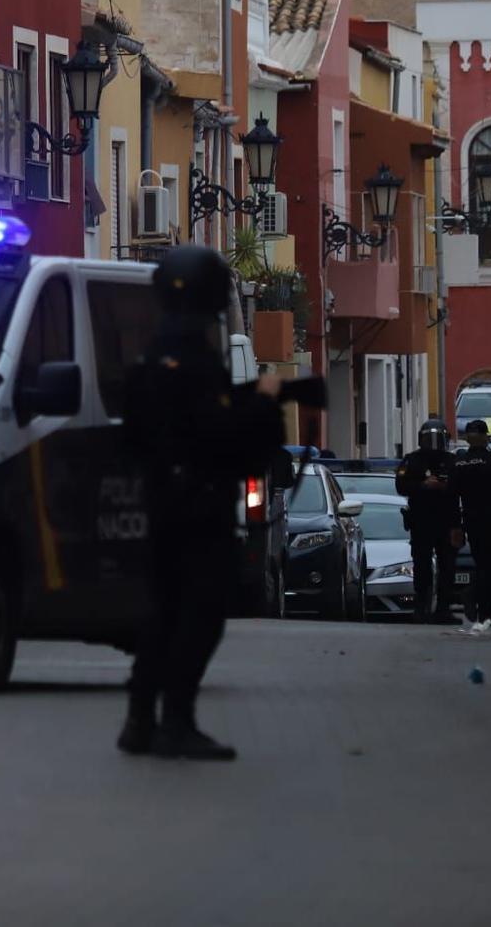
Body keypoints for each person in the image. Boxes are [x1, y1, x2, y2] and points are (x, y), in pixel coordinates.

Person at [118, 246, 286, 761]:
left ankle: (141, 717)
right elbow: (217, 434)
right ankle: (177, 721)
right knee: (201, 613)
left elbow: (134, 432)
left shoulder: (150, 357)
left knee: (163, 612)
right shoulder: (195, 358)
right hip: (199, 503)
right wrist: (262, 404)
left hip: (160, 500)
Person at [397, 419, 460, 623]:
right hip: (422, 522)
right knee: (422, 566)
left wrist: (446, 487)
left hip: (447, 522)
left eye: (437, 438)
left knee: (448, 567)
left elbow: (464, 486)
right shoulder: (412, 461)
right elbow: (401, 486)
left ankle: (443, 608)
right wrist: (423, 485)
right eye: (428, 438)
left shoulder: (453, 461)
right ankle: (421, 607)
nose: (433, 444)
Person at [451, 420, 491, 627]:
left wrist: (457, 525)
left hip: (471, 521)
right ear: (486, 437)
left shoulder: (460, 463)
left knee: (484, 565)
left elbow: (452, 496)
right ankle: (475, 597)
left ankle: (485, 612)